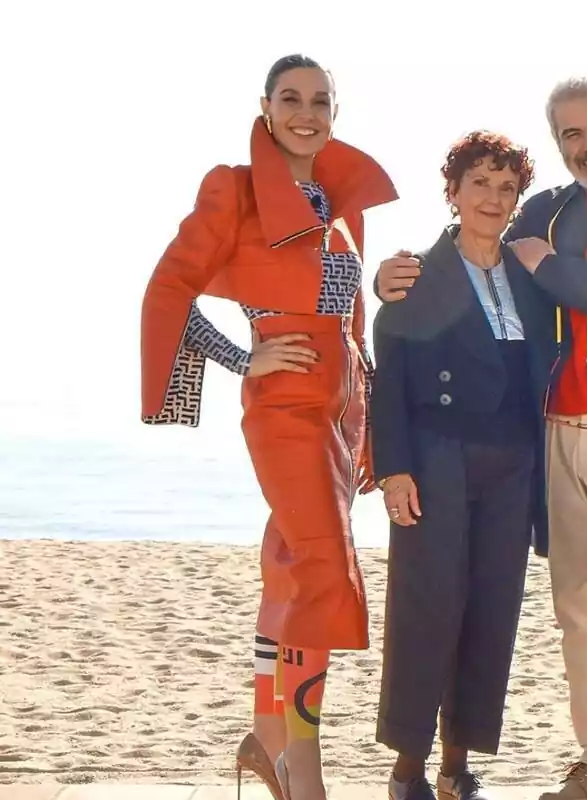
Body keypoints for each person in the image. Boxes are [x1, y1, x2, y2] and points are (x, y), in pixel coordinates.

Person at [373, 74, 587, 800]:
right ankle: (582, 758)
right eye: (572, 135)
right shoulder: (536, 217)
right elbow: (413, 335)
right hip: (525, 445)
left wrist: (561, 270)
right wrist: (383, 280)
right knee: (564, 614)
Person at [138, 55, 398, 800]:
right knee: (321, 574)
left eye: (320, 100)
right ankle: (304, 777)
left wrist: (366, 407)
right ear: (266, 106)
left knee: (289, 567)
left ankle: (266, 737)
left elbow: (349, 319)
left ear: (334, 111)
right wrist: (239, 356)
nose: (306, 113)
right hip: (283, 409)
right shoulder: (235, 187)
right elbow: (169, 286)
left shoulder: (339, 200)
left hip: (338, 411)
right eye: (291, 99)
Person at [369, 131, 553, 800]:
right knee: (428, 609)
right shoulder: (416, 274)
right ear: (452, 191)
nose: (494, 198)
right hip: (436, 459)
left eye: (507, 188)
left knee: (491, 610)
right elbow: (387, 377)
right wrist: (393, 470)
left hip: (514, 466)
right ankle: (408, 766)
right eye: (481, 183)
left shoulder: (532, 284)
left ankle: (457, 761)